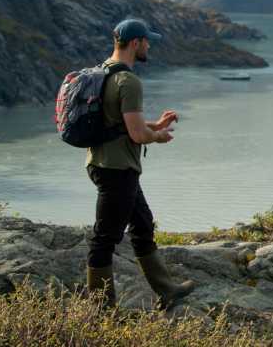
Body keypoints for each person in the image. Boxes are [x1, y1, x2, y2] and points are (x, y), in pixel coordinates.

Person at [84, 18, 196, 311]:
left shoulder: (104, 71)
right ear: (136, 43)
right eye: (147, 41)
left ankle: (166, 289)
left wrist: (154, 124)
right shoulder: (129, 81)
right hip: (116, 169)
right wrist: (157, 136)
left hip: (106, 163)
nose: (149, 46)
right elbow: (136, 133)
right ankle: (101, 310)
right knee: (105, 239)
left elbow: (120, 121)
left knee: (143, 224)